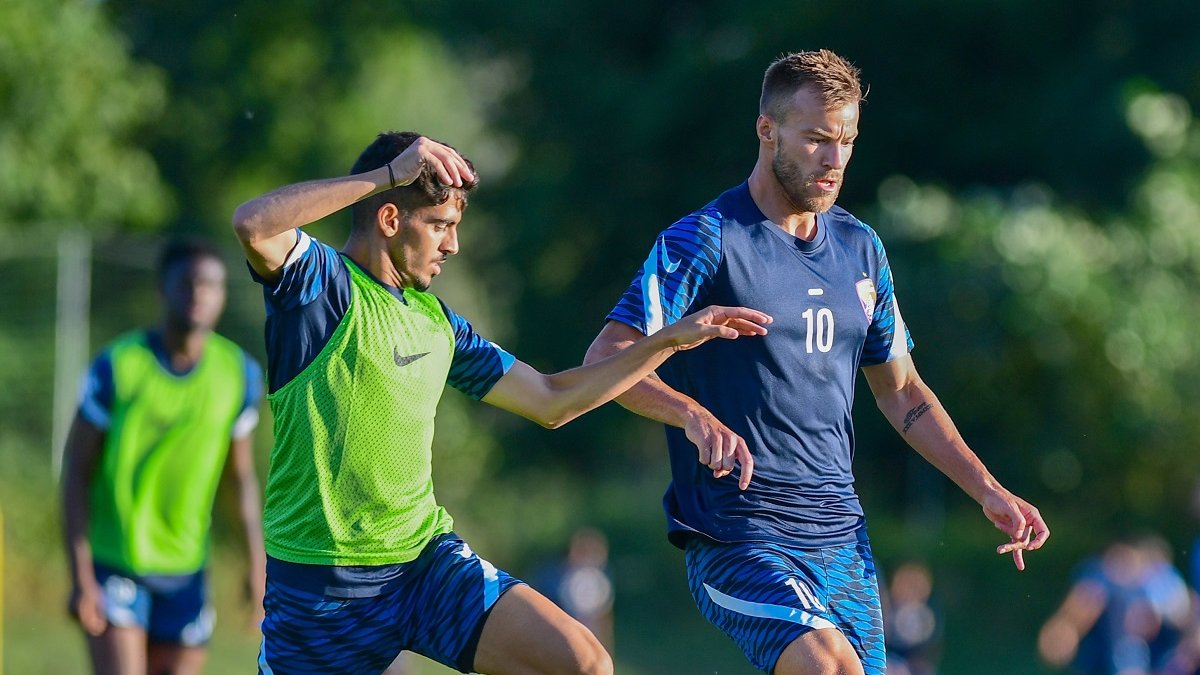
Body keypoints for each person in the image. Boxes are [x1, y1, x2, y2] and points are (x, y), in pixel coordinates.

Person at [231, 131, 771, 675]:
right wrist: (386, 176)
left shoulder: (438, 322)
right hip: (319, 589)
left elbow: (552, 400)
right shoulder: (322, 288)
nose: (452, 245)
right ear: (390, 219)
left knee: (583, 664)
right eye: (440, 225)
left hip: (424, 566)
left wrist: (667, 342)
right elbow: (253, 224)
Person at [583, 49, 1050, 675]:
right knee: (828, 668)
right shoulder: (706, 239)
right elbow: (606, 358)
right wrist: (691, 415)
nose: (834, 160)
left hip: (840, 539)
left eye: (847, 141)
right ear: (767, 130)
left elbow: (902, 392)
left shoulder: (862, 248)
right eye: (817, 139)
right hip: (737, 531)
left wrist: (986, 488)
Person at [60, 238, 266, 675]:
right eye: (187, 282)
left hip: (187, 567)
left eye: (211, 285)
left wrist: (257, 563)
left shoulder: (238, 374)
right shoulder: (118, 366)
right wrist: (81, 576)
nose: (199, 294)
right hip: (118, 559)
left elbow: (240, 479)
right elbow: (76, 470)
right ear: (162, 288)